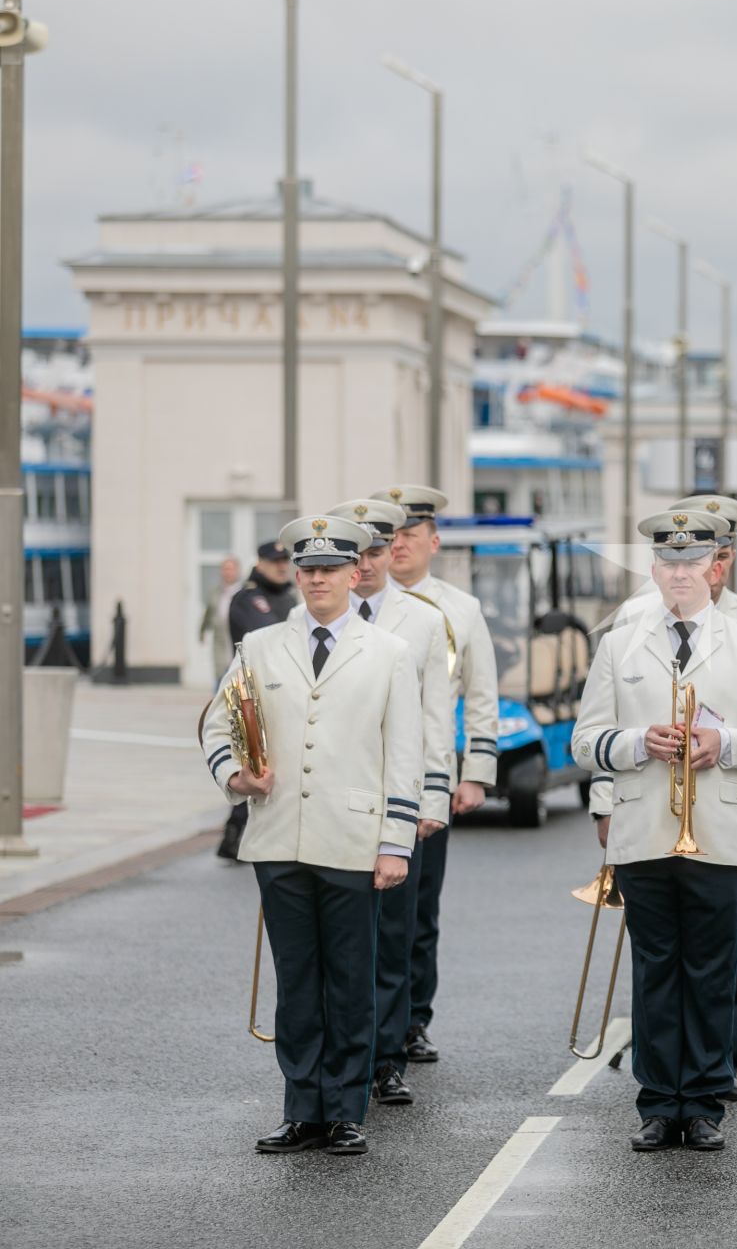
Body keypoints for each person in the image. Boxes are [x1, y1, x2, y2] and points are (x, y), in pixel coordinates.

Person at [199, 515, 422, 1156]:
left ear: (356, 573)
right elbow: (217, 727)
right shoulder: (261, 646)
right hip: (277, 840)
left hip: (354, 837)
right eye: (308, 570)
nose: (318, 580)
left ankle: (347, 1108)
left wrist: (395, 841)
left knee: (350, 979)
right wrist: (235, 776)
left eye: (330, 570)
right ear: (296, 576)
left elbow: (402, 752)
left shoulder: (389, 653)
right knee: (297, 981)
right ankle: (303, 1109)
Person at [573, 507, 737, 1153]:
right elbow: (586, 742)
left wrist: (722, 743)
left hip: (718, 830)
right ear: (653, 568)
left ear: (714, 567)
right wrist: (640, 740)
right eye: (667, 563)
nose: (678, 573)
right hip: (644, 829)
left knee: (711, 971)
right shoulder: (620, 642)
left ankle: (702, 1102)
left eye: (690, 562)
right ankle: (657, 1102)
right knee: (655, 971)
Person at [328, 499, 457, 1109]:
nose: (370, 563)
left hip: (397, 801)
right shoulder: (312, 618)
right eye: (358, 554)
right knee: (337, 940)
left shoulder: (425, 621)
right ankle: (336, 1059)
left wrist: (433, 798)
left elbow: (436, 721)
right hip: (331, 804)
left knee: (395, 935)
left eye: (379, 551)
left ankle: (385, 1059)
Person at [382, 484, 500, 1064]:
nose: (399, 545)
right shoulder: (358, 602)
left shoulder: (460, 608)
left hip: (430, 771)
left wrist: (475, 773)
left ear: (433, 541)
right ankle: (375, 1025)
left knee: (419, 911)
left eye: (410, 534)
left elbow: (480, 696)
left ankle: (412, 1021)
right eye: (390, 535)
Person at [217, 540, 299, 861]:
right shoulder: (249, 597)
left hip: (287, 693)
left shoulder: (289, 597)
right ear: (260, 563)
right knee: (256, 766)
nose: (281, 566)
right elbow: (267, 637)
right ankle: (234, 836)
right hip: (253, 696)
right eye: (274, 561)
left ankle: (234, 836)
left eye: (285, 561)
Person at [199, 555, 241, 685]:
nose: (227, 572)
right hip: (220, 643)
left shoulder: (244, 593)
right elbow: (208, 614)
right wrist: (202, 632)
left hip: (239, 643)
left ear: (237, 571)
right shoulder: (215, 593)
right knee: (220, 680)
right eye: (225, 569)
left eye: (230, 569)